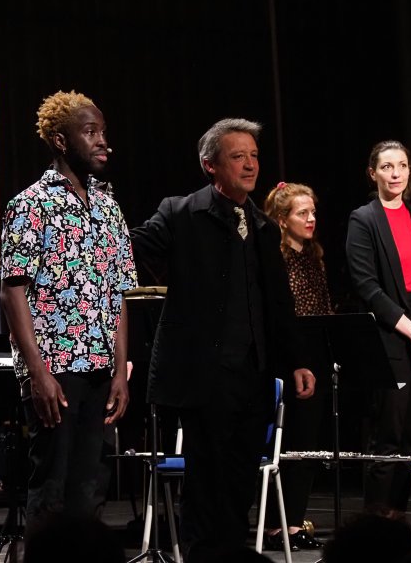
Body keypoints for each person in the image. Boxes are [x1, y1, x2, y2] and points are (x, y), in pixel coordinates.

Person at [130, 118, 316, 563]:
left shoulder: (264, 228)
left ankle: (233, 556)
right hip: (202, 375)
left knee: (239, 480)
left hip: (252, 375)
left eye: (253, 155)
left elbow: (278, 304)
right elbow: (129, 249)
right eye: (238, 156)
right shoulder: (180, 213)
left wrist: (296, 360)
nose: (250, 164)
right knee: (206, 480)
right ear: (209, 164)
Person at [0, 89, 138, 539]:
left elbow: (119, 294)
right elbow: (13, 291)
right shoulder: (30, 204)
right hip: (56, 370)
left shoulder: (108, 207)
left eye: (104, 132)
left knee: (90, 492)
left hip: (101, 370)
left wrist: (121, 371)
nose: (103, 142)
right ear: (61, 140)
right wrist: (37, 373)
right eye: (90, 132)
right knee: (52, 491)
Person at [345, 140, 411, 518]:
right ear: (373, 173)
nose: (395, 173)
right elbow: (367, 287)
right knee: (388, 433)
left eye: (402, 165)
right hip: (389, 330)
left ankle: (398, 520)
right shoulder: (364, 219)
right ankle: (377, 524)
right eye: (387, 166)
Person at [262, 181, 332, 550]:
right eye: (302, 213)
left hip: (317, 357)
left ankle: (292, 522)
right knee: (286, 445)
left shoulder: (313, 255)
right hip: (289, 360)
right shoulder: (278, 258)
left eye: (313, 212)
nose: (310, 219)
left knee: (307, 447)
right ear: (282, 219)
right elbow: (282, 317)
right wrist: (296, 360)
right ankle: (277, 525)